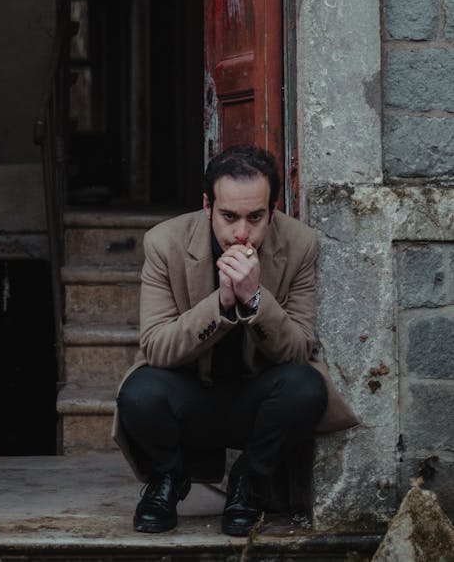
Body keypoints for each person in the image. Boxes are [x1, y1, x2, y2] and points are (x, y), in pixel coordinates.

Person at [113, 144, 358, 537]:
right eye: (229, 216)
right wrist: (223, 304)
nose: (242, 233)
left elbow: (297, 350)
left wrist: (255, 298)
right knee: (139, 392)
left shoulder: (299, 244)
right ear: (207, 205)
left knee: (307, 386)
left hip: (256, 401)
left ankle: (249, 481)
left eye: (255, 217)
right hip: (188, 395)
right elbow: (156, 347)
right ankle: (168, 479)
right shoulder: (164, 243)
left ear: (272, 211)